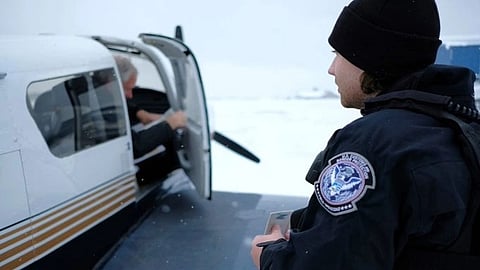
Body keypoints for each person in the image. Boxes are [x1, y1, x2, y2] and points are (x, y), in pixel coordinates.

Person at [251, 0, 480, 269]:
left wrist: (270, 256)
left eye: (338, 53)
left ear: (369, 58)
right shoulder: (461, 130)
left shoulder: (373, 144)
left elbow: (333, 264)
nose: (332, 68)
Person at [114, 55, 187, 181]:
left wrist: (139, 113)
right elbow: (135, 147)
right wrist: (170, 124)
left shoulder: (97, 95)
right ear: (113, 83)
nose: (130, 95)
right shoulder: (102, 110)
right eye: (127, 88)